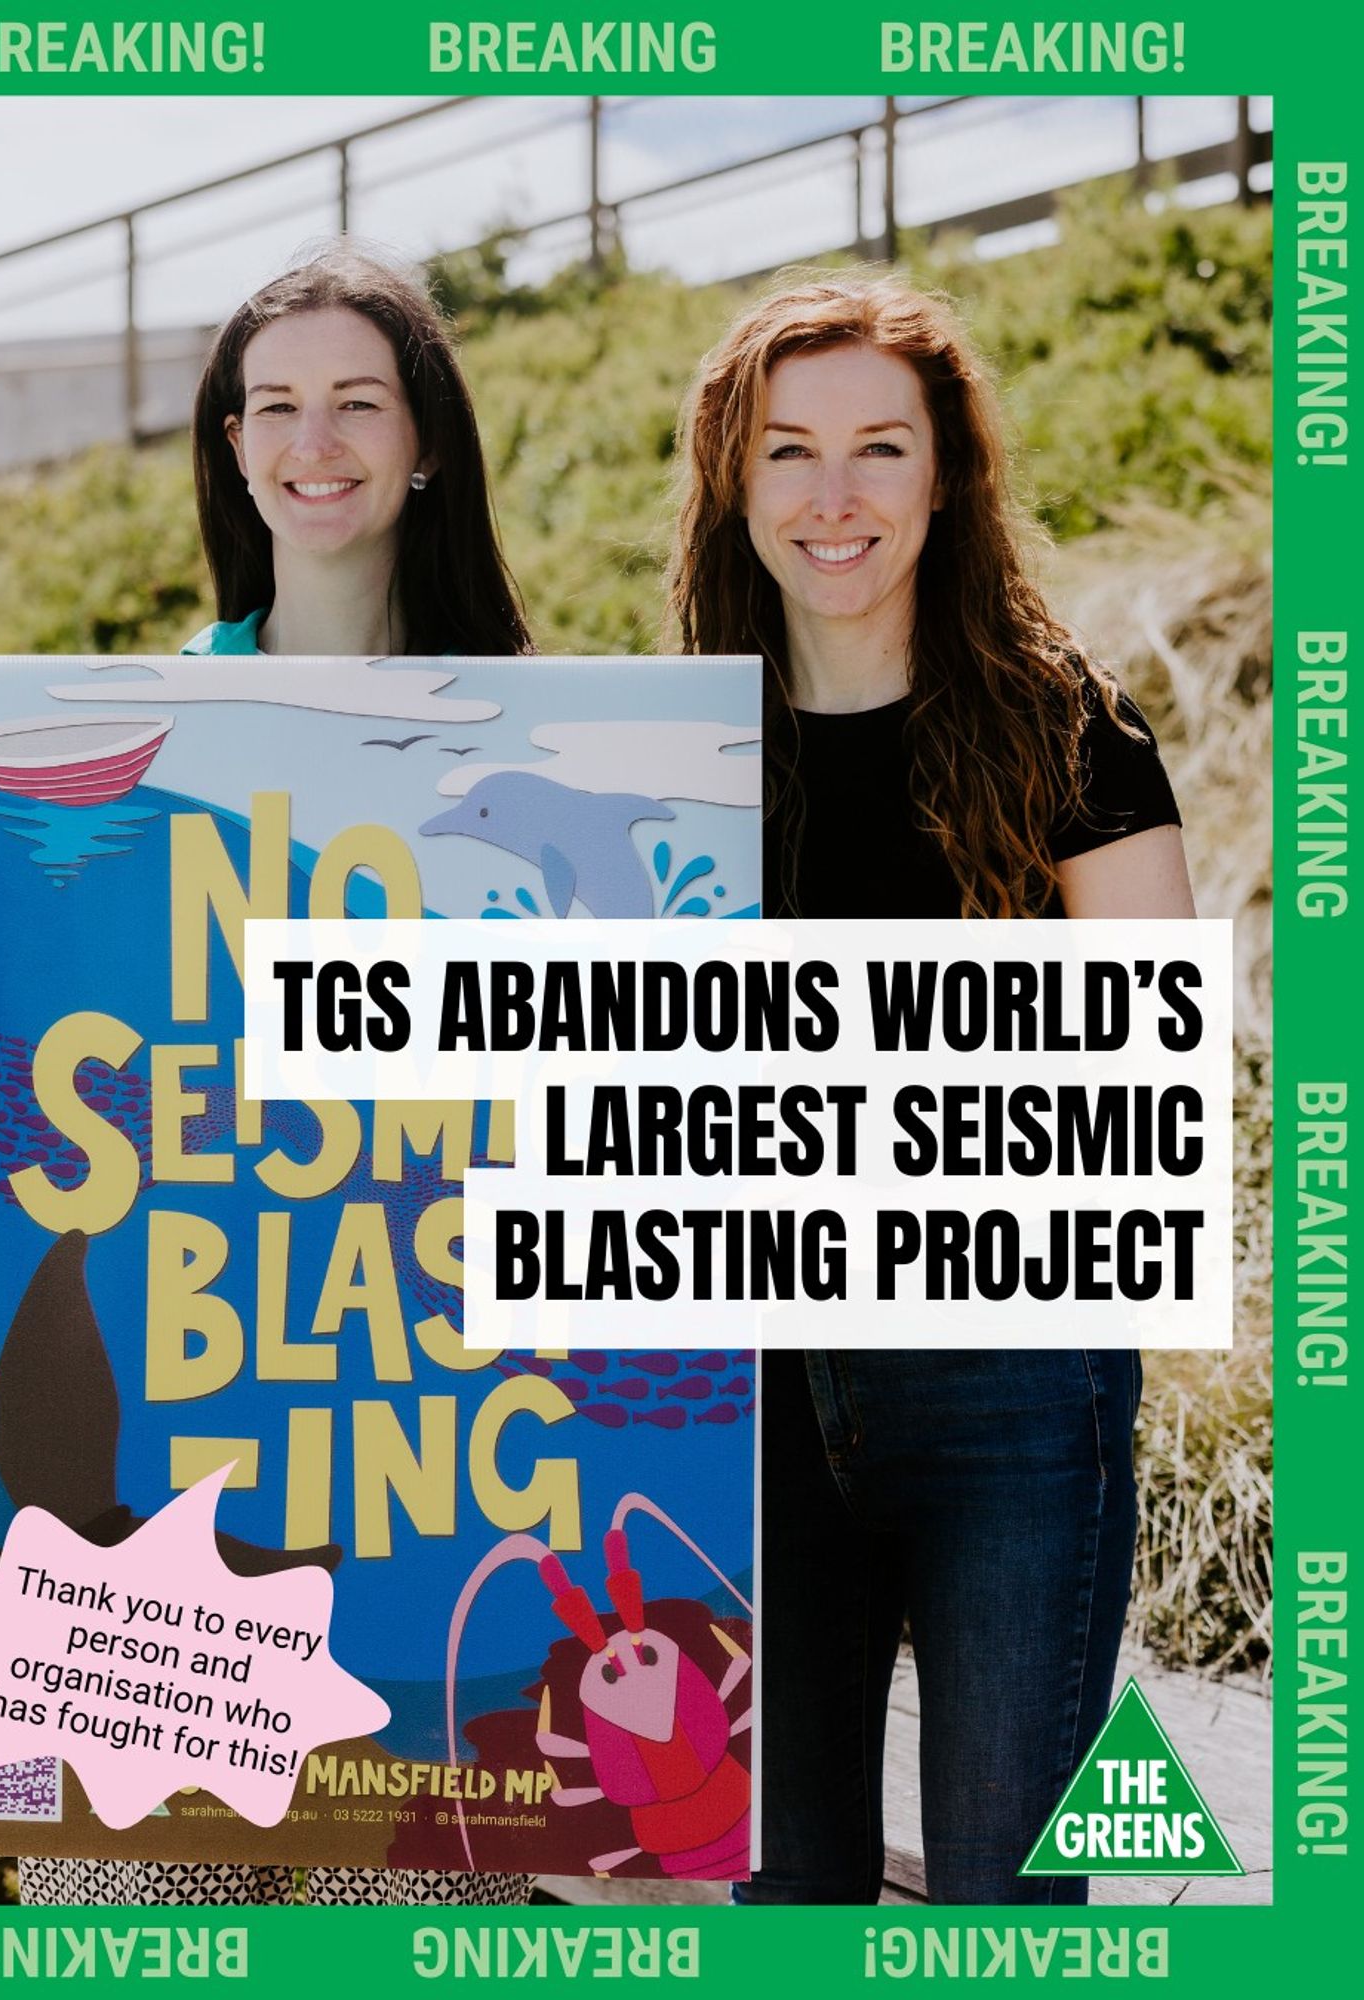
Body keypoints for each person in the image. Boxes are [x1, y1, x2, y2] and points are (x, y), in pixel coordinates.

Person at [0, 244, 533, 1910]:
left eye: (358, 401)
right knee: (137, 1915)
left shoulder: (534, 739)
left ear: (426, 439)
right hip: (161, 1470)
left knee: (404, 1911)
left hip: (417, 1453)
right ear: (232, 447)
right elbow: (57, 1065)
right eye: (274, 405)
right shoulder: (111, 757)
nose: (316, 439)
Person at [666, 270, 1194, 1906]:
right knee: (790, 1898)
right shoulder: (663, 759)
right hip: (741, 1401)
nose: (834, 499)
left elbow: (1141, 1070)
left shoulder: (1068, 735)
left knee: (999, 1897)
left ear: (947, 472)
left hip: (1012, 1391)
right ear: (731, 484)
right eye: (788, 453)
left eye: (880, 450)